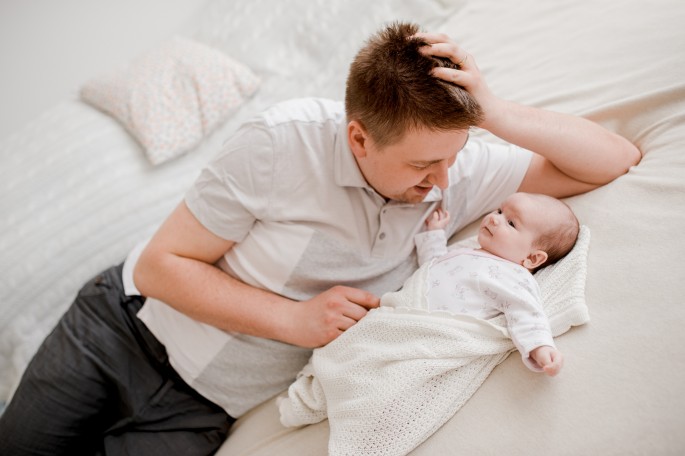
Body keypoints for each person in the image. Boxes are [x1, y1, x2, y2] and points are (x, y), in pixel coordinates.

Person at [0, 21, 640, 455]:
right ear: (359, 137)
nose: (444, 180)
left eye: (456, 154)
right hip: (121, 332)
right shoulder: (279, 144)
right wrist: (295, 321)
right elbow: (161, 267)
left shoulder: (454, 168)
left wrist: (493, 114)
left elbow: (613, 158)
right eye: (422, 166)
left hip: (206, 406)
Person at [416, 192, 579, 376]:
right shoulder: (467, 251)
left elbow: (526, 311)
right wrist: (434, 234)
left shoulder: (514, 275)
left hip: (430, 330)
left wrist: (541, 347)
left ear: (532, 258)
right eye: (500, 210)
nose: (494, 218)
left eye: (511, 223)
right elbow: (432, 267)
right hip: (411, 301)